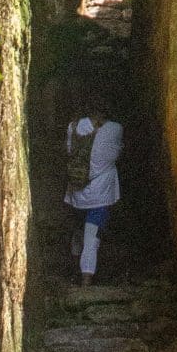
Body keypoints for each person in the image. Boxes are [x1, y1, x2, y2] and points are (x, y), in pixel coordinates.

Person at [64, 99, 123, 282]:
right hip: (100, 194)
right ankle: (86, 283)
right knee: (91, 237)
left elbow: (68, 151)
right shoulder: (115, 128)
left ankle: (73, 274)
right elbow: (117, 153)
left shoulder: (72, 127)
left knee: (77, 232)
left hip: (75, 192)